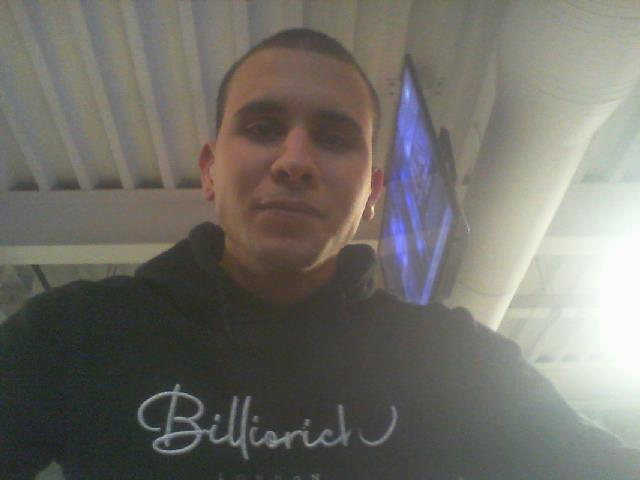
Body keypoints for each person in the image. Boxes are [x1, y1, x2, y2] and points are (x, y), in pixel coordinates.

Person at [1, 28, 639, 480]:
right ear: (210, 170)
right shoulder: (73, 336)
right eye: (262, 129)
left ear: (371, 194)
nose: (296, 160)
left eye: (334, 139)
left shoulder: (453, 359)